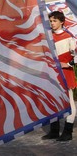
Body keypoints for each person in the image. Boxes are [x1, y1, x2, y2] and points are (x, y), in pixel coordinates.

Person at [42, 10, 76, 141]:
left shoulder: (69, 37)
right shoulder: (47, 37)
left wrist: (67, 63)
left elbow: (76, 57)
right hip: (52, 75)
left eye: (55, 21)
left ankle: (67, 132)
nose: (52, 23)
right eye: (50, 21)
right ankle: (54, 131)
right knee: (53, 103)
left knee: (69, 103)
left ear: (62, 22)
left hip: (66, 74)